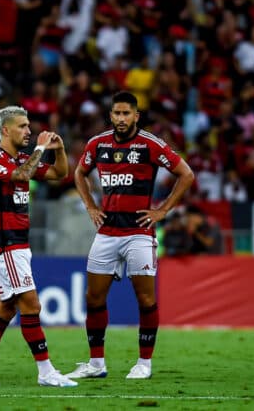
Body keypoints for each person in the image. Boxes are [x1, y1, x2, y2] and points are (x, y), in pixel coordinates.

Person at [66, 91, 194, 381]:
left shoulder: (150, 144)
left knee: (146, 299)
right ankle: (96, 363)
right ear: (110, 115)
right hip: (107, 231)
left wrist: (162, 211)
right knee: (94, 298)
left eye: (126, 113)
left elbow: (186, 174)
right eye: (116, 113)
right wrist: (90, 205)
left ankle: (144, 364)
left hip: (139, 233)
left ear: (136, 115)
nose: (121, 118)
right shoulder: (97, 144)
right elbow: (79, 172)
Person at [0, 106, 77, 388]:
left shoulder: (24, 158)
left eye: (28, 126)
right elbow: (22, 175)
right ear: (5, 130)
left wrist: (58, 150)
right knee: (31, 304)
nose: (28, 131)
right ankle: (46, 371)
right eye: (22, 126)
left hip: (18, 243)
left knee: (6, 309)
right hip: (5, 243)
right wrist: (39, 148)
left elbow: (61, 173)